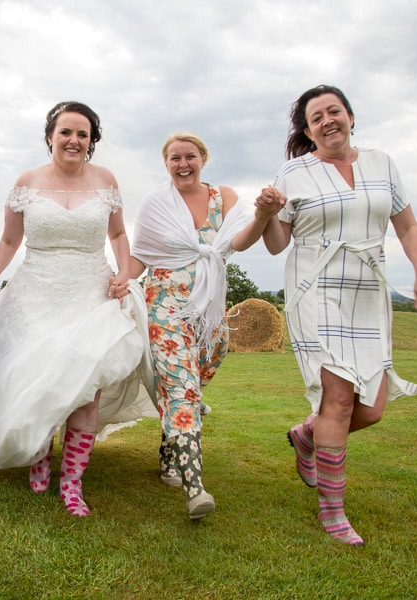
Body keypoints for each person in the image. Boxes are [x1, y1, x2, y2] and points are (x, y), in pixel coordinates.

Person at [260, 85, 417, 545]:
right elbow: (279, 243)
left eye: (333, 111)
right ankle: (333, 511)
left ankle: (307, 435)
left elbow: (408, 225)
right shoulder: (293, 171)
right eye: (315, 117)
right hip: (315, 287)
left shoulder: (382, 164)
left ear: (351, 116)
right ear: (307, 130)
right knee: (338, 399)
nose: (327, 121)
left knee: (372, 408)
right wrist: (266, 214)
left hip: (368, 290)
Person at [0, 101, 155, 517]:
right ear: (50, 136)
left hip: (91, 292)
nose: (74, 140)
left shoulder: (106, 181)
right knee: (41, 378)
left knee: (86, 387)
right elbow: (10, 242)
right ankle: (39, 456)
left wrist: (124, 273)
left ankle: (72, 482)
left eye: (83, 134)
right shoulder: (27, 182)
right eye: (66, 132)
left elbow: (119, 233)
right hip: (36, 293)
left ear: (91, 142)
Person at [127, 132, 283, 520]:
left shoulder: (225, 197)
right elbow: (141, 255)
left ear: (203, 159)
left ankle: (169, 450)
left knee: (196, 378)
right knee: (183, 387)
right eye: (175, 158)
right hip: (164, 304)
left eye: (190, 157)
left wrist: (263, 215)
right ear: (166, 165)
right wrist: (118, 282)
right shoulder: (156, 203)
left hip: (208, 312)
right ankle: (195, 487)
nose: (183, 164)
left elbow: (242, 241)